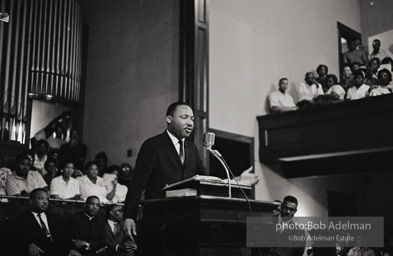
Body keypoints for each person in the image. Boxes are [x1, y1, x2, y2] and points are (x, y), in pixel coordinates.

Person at [123, 102, 259, 238]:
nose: (190, 123)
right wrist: (129, 216)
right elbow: (137, 183)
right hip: (159, 220)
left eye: (192, 119)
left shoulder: (192, 149)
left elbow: (206, 179)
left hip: (185, 221)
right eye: (184, 117)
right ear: (169, 119)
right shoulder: (153, 145)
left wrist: (238, 180)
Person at [2, 188, 73, 256]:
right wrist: (28, 244)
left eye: (47, 199)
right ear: (31, 201)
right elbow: (12, 239)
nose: (45, 202)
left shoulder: (56, 218)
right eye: (41, 198)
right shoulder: (20, 220)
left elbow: (64, 237)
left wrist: (71, 249)